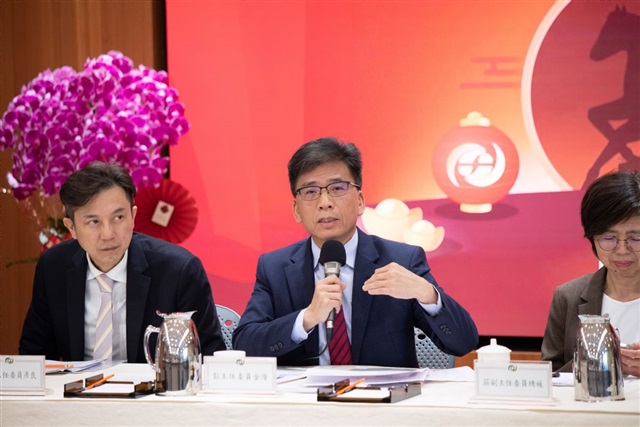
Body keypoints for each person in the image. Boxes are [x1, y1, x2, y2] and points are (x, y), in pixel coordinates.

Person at [232, 137, 478, 367]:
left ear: (360, 201)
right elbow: (244, 346)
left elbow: (463, 343)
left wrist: (427, 294)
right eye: (310, 192)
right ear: (296, 210)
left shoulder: (401, 261)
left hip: (382, 398)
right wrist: (307, 318)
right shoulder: (275, 268)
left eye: (337, 188)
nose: (325, 202)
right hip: (306, 399)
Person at [19, 162, 226, 362]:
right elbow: (35, 356)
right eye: (94, 222)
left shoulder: (179, 271)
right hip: (78, 387)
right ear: (71, 227)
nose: (108, 234)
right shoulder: (54, 267)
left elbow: (208, 358)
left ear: (133, 216)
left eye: (118, 218)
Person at [542, 170, 640, 376]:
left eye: (635, 238)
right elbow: (550, 376)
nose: (622, 250)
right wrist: (596, 362)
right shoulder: (568, 296)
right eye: (609, 238)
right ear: (592, 239)